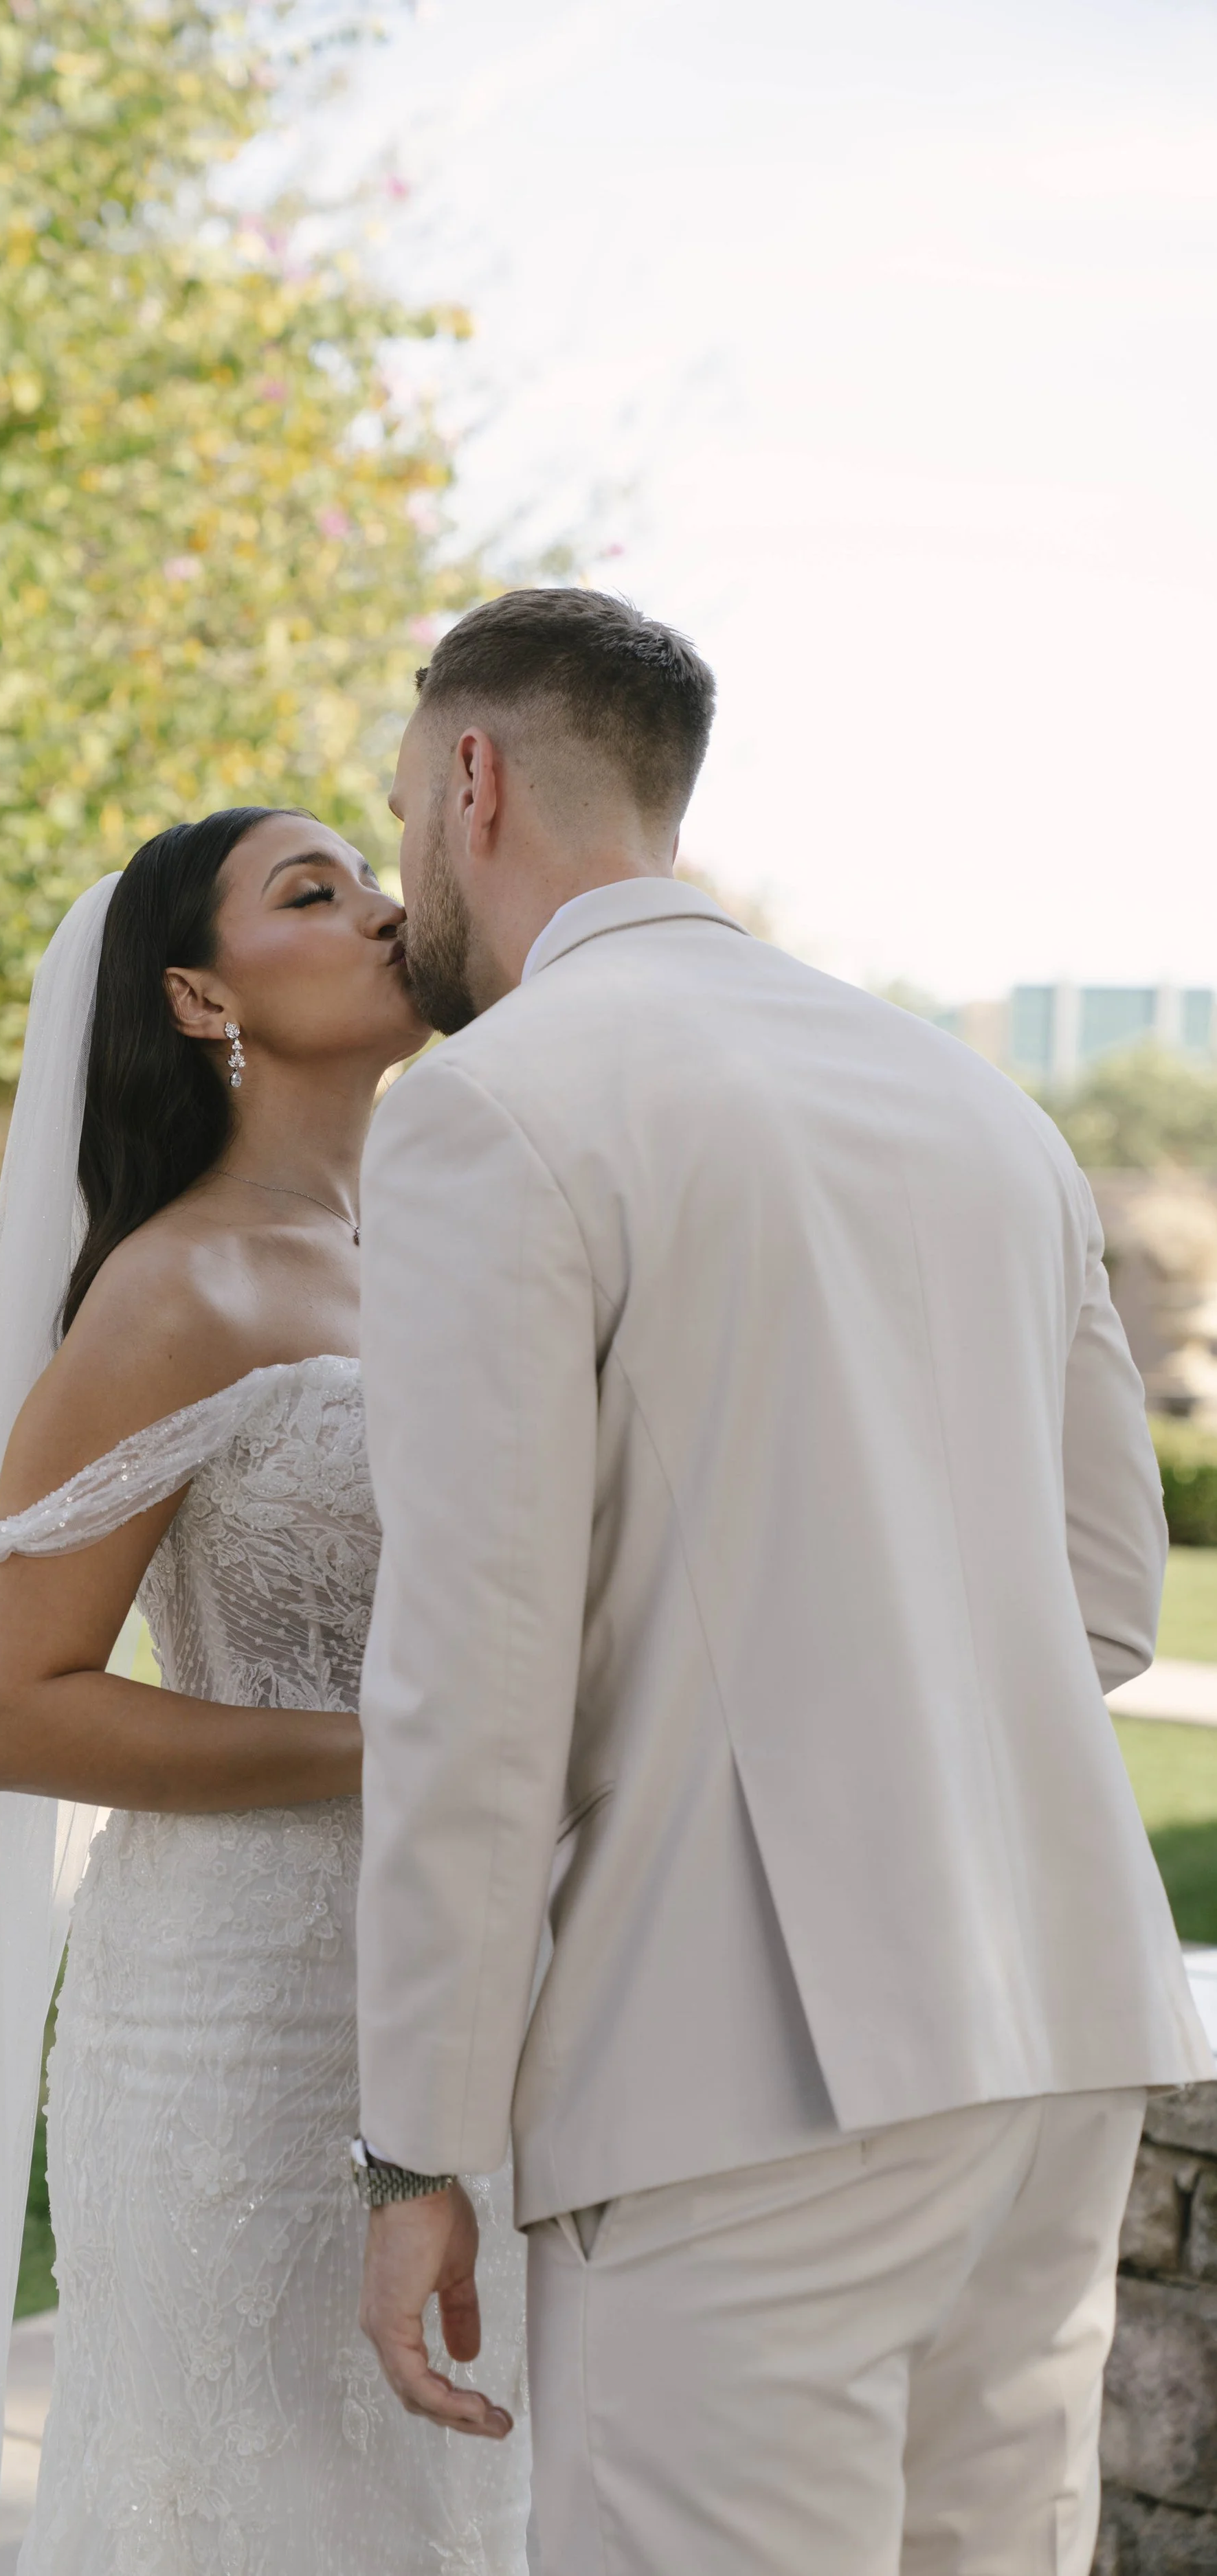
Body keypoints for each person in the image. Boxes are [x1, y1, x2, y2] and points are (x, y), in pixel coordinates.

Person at [351, 586, 1212, 2573]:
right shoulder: (978, 1104)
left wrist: (416, 2142)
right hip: (1060, 2023)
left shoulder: (492, 1106)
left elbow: (466, 1695)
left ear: (470, 777)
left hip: (736, 2072)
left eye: (401, 810)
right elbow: (1102, 1594)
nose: (405, 876)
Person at [0, 809, 532, 2575]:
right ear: (202, 996)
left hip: (456, 1981)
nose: (381, 906)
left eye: (367, 873)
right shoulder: (172, 1285)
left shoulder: (445, 1246)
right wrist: (409, 1754)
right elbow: (8, 1706)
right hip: (234, 2024)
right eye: (312, 892)